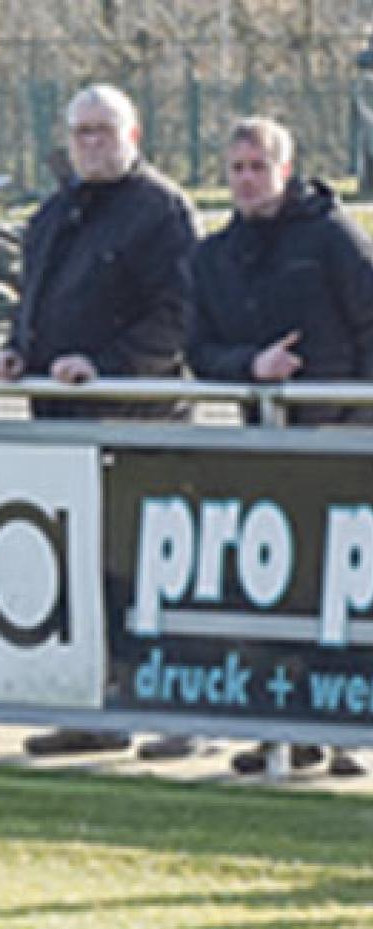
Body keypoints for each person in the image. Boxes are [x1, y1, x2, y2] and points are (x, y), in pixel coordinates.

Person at [0, 83, 203, 761]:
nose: (91, 144)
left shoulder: (162, 211)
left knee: (150, 572)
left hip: (143, 424)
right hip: (65, 426)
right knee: (86, 575)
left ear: (133, 136)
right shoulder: (54, 214)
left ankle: (179, 712)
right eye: (81, 132)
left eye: (104, 131)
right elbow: (35, 301)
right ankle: (96, 708)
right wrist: (18, 352)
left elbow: (178, 315)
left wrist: (107, 367)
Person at [186, 115, 373, 778]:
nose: (247, 180)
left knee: (343, 592)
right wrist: (251, 366)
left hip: (341, 444)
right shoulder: (212, 257)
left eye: (258, 167)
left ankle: (346, 732)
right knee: (274, 592)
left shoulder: (330, 238)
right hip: (266, 447)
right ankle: (280, 732)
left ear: (285, 170)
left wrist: (353, 417)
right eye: (237, 168)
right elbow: (199, 352)